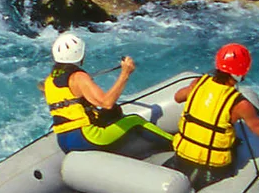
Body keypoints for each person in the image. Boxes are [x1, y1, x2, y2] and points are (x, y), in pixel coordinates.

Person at [168, 42, 259, 190]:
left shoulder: (198, 83)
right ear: (242, 72)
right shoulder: (240, 105)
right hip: (212, 170)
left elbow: (178, 97)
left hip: (182, 158)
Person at [43, 31, 171, 157]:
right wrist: (125, 73)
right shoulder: (79, 77)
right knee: (135, 120)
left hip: (63, 141)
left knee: (113, 112)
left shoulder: (48, 81)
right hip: (86, 137)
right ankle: (176, 144)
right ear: (80, 55)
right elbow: (106, 103)